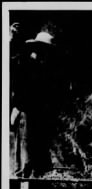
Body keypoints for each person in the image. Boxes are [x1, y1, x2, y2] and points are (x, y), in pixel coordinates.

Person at [10, 30, 63, 177]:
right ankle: (23, 185)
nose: (45, 52)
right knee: (25, 153)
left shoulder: (47, 68)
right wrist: (17, 107)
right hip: (26, 112)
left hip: (40, 113)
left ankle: (36, 180)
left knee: (38, 151)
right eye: (43, 48)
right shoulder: (27, 64)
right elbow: (20, 88)